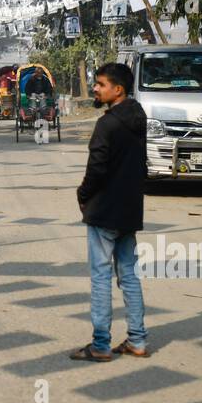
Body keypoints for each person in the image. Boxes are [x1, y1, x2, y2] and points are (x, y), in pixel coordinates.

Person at [70, 63, 148, 362]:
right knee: (128, 274)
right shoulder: (139, 118)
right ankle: (137, 340)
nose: (96, 88)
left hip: (104, 211)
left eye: (101, 84)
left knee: (101, 276)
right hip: (129, 210)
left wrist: (83, 195)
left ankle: (101, 344)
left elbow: (97, 169)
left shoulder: (108, 124)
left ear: (118, 90)